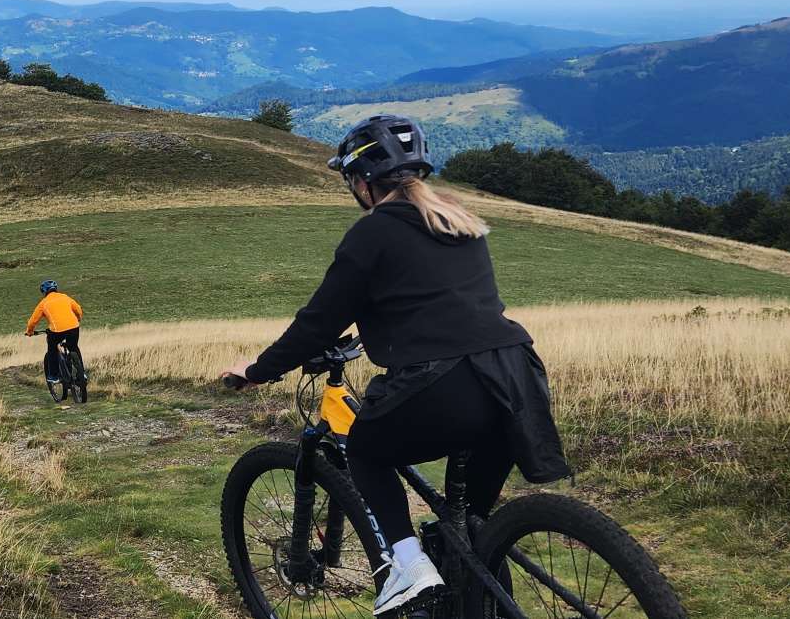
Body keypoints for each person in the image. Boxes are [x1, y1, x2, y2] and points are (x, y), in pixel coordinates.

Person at [219, 115, 570, 616]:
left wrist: (257, 370)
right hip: (515, 378)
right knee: (466, 525)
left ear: (361, 182)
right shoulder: (458, 219)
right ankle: (471, 595)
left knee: (364, 449)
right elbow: (437, 304)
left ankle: (407, 566)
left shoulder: (373, 232)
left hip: (445, 383)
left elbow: (317, 324)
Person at [24, 280, 84, 386]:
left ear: (44, 292)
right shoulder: (65, 297)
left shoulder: (43, 303)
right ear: (56, 289)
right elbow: (78, 309)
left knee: (52, 350)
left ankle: (54, 376)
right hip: (74, 327)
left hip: (57, 330)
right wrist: (78, 318)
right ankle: (82, 374)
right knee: (74, 347)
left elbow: (33, 321)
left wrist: (29, 331)